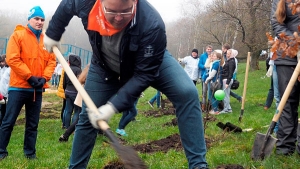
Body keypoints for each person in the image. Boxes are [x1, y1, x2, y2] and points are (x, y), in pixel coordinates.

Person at [44, 0, 208, 168]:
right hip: (104, 67)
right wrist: (52, 33)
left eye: (126, 11)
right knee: (87, 116)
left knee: (187, 92)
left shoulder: (151, 23)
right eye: (112, 11)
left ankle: (198, 165)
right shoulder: (85, 2)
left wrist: (112, 107)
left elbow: (145, 74)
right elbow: (67, 5)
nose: (118, 18)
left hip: (147, 62)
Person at [0, 6, 56, 160]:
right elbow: (12, 58)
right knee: (8, 121)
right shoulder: (17, 35)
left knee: (33, 124)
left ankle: (30, 153)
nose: (39, 22)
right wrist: (30, 77)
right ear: (29, 19)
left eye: (42, 19)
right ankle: (1, 151)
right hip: (18, 87)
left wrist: (44, 78)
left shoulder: (47, 40)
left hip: (36, 90)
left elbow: (52, 61)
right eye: (36, 18)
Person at [271, 0, 300, 156]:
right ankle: (285, 146)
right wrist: (297, 42)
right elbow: (277, 25)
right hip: (287, 56)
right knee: (287, 102)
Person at [59, 64, 89, 142]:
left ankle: (66, 132)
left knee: (75, 115)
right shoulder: (90, 74)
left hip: (78, 97)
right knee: (79, 117)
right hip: (85, 99)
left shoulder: (84, 73)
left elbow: (64, 83)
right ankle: (73, 133)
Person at [63, 54, 82, 129]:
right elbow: (80, 82)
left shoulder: (67, 69)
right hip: (75, 93)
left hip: (67, 91)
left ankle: (66, 125)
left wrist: (65, 90)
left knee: (67, 110)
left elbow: (63, 82)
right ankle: (73, 128)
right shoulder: (78, 70)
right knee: (76, 111)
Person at [220, 49, 237, 114]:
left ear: (231, 54)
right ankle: (229, 108)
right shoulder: (229, 60)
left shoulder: (231, 62)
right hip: (225, 79)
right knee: (226, 94)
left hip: (227, 80)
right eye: (227, 53)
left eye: (228, 54)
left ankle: (226, 109)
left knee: (225, 95)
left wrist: (227, 82)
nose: (227, 55)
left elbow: (230, 73)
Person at [198, 45, 213, 111]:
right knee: (204, 92)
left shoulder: (213, 55)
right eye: (208, 49)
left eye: (210, 49)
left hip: (212, 76)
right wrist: (205, 66)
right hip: (204, 75)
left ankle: (210, 106)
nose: (209, 50)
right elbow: (199, 64)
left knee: (211, 91)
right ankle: (203, 106)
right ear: (206, 50)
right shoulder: (202, 56)